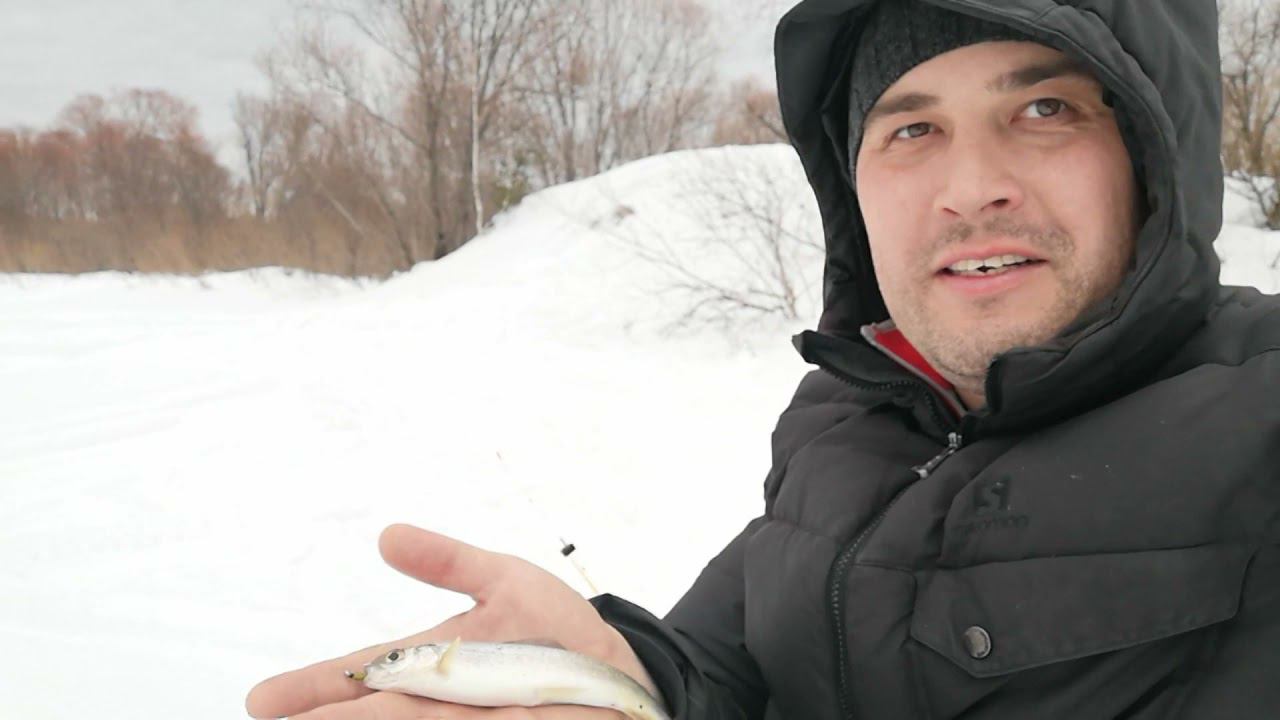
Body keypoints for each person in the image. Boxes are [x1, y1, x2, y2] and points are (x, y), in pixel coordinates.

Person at [246, 0, 1280, 717]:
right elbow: (736, 666)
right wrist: (630, 680)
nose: (971, 188)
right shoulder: (846, 422)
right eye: (910, 129)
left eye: (1044, 110)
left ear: (1155, 155)